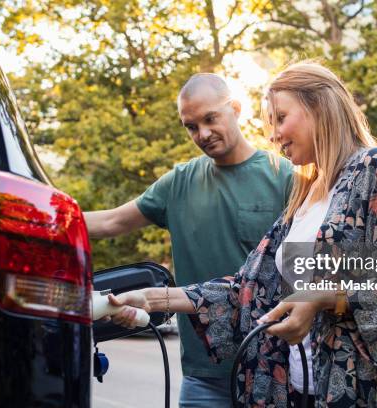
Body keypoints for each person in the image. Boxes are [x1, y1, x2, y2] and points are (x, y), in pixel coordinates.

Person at [108, 62, 377, 407]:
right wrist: (153, 299)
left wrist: (320, 297)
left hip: (367, 394)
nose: (273, 135)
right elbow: (249, 290)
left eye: (280, 119)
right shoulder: (306, 192)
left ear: (319, 107)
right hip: (298, 393)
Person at [84, 73, 293, 407]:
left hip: (273, 371)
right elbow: (111, 220)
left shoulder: (284, 176)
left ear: (235, 108)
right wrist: (42, 217)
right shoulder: (178, 183)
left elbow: (310, 276)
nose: (203, 134)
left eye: (211, 119)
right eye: (191, 126)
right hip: (202, 378)